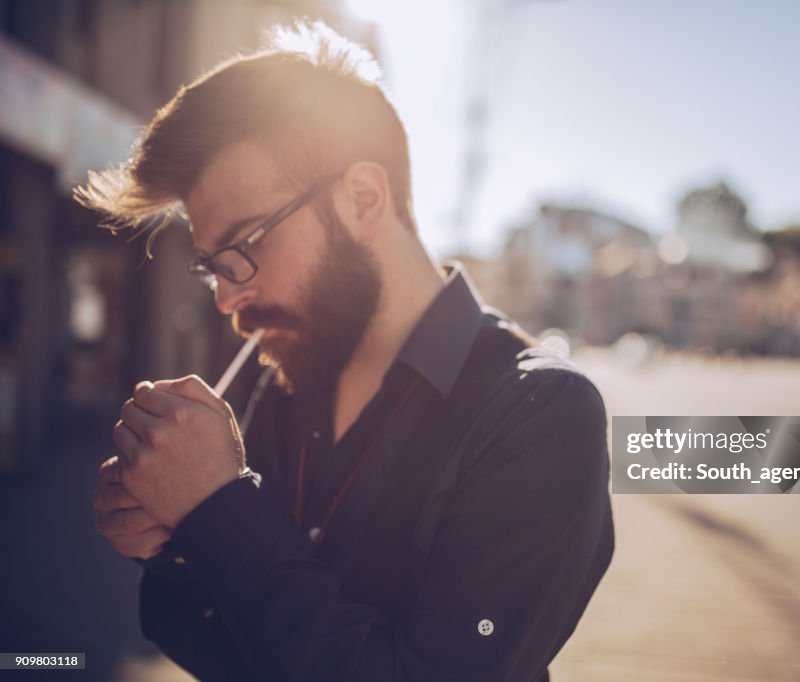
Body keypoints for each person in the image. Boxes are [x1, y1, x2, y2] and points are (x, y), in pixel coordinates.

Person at [81, 21, 614, 682]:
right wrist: (172, 538)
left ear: (363, 199)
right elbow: (209, 643)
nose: (226, 299)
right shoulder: (271, 372)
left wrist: (216, 511)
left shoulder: (541, 416)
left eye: (246, 247)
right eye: (213, 265)